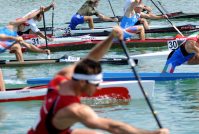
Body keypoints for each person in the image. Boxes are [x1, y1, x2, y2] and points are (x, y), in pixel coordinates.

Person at [27, 26, 169, 134]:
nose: (99, 88)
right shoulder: (76, 110)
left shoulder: (61, 79)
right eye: (96, 84)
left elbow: (91, 58)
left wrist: (111, 38)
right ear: (82, 82)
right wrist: (151, 133)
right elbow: (113, 126)